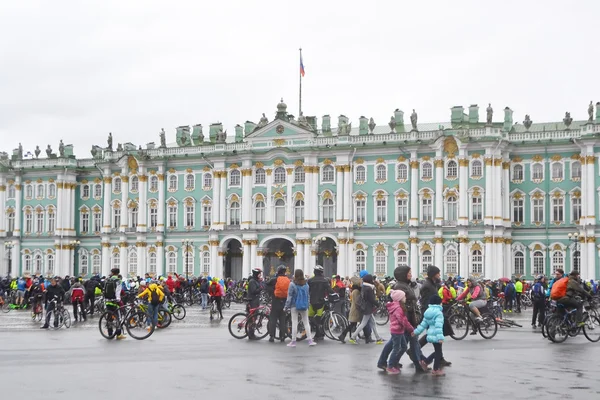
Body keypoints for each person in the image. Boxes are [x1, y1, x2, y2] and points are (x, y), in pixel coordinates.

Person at [392, 266, 427, 372]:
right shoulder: (400, 286)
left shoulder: (405, 285)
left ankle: (394, 362)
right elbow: (404, 303)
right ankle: (416, 364)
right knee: (409, 342)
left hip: (409, 318)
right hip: (408, 318)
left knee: (410, 342)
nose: (411, 275)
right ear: (403, 274)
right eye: (409, 273)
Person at [377, 289, 413, 374]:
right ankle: (390, 366)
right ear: (400, 298)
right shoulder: (398, 308)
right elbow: (403, 320)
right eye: (404, 296)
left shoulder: (398, 306)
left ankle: (393, 363)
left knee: (403, 346)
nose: (405, 298)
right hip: (396, 331)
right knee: (396, 348)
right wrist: (411, 329)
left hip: (399, 330)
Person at [413, 295, 446, 377]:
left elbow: (423, 324)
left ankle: (426, 362)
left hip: (430, 334)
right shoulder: (439, 313)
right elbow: (438, 327)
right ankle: (435, 369)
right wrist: (440, 338)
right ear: (438, 303)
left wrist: (416, 332)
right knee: (438, 352)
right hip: (436, 335)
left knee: (438, 351)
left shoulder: (428, 311)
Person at [348, 274, 383, 344]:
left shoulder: (364, 287)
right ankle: (353, 337)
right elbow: (371, 299)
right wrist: (378, 304)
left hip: (366, 308)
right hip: (368, 308)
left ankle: (378, 338)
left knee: (373, 323)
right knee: (363, 323)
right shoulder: (369, 288)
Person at [284, 269, 315, 347]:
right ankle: (310, 340)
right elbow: (308, 296)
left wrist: (286, 306)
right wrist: (307, 304)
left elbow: (289, 297)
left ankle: (293, 341)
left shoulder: (292, 284)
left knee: (294, 323)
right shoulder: (306, 284)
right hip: (304, 306)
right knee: (306, 323)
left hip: (294, 306)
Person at [307, 265, 334, 341]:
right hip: (321, 302)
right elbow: (329, 290)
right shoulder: (324, 280)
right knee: (319, 318)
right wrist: (335, 294)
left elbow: (307, 290)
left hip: (312, 302)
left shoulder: (310, 280)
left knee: (310, 317)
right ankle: (319, 333)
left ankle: (318, 332)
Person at [267, 265, 290, 343]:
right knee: (282, 320)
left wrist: (271, 292)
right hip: (284, 302)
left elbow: (266, 285)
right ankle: (282, 336)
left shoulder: (274, 279)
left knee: (273, 319)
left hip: (275, 301)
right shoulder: (288, 280)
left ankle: (272, 336)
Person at [338, 276, 363, 343]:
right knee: (352, 324)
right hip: (355, 310)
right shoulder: (356, 291)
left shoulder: (354, 291)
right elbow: (357, 301)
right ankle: (343, 335)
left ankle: (344, 335)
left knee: (353, 324)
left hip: (354, 309)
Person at [104, 268, 126, 339]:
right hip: (114, 301)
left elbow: (104, 289)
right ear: (118, 273)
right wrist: (118, 299)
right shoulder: (118, 280)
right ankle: (118, 334)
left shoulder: (108, 279)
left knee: (109, 317)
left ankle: (110, 333)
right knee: (118, 317)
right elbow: (118, 291)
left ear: (112, 273)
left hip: (108, 300)